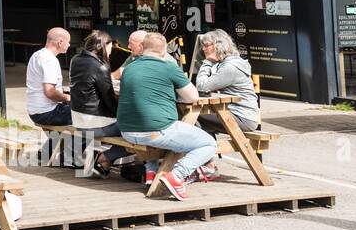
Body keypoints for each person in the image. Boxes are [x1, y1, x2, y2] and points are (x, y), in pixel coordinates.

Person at [116, 32, 216, 201]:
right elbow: (193, 97)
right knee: (209, 143)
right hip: (156, 130)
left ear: (143, 48)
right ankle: (177, 176)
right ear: (163, 51)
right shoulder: (169, 67)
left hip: (126, 131)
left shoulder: (129, 68)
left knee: (179, 138)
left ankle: (152, 171)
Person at [69, 30, 130, 177]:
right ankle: (106, 158)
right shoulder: (101, 67)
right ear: (104, 45)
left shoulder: (75, 59)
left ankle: (106, 161)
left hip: (78, 121)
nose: (111, 51)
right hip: (95, 124)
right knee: (137, 129)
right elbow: (109, 99)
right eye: (111, 47)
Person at [194, 29, 260, 134]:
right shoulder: (227, 62)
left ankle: (207, 146)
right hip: (236, 114)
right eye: (203, 46)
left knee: (192, 113)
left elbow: (202, 86)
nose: (203, 49)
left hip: (242, 118)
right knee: (198, 117)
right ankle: (209, 146)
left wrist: (207, 62)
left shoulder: (230, 67)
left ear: (218, 45)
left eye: (207, 45)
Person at [26, 27, 72, 163]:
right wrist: (67, 98)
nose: (69, 45)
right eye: (68, 42)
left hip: (34, 110)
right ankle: (71, 158)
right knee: (85, 116)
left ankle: (45, 154)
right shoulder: (50, 60)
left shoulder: (37, 55)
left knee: (72, 115)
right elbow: (50, 92)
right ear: (60, 42)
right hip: (47, 112)